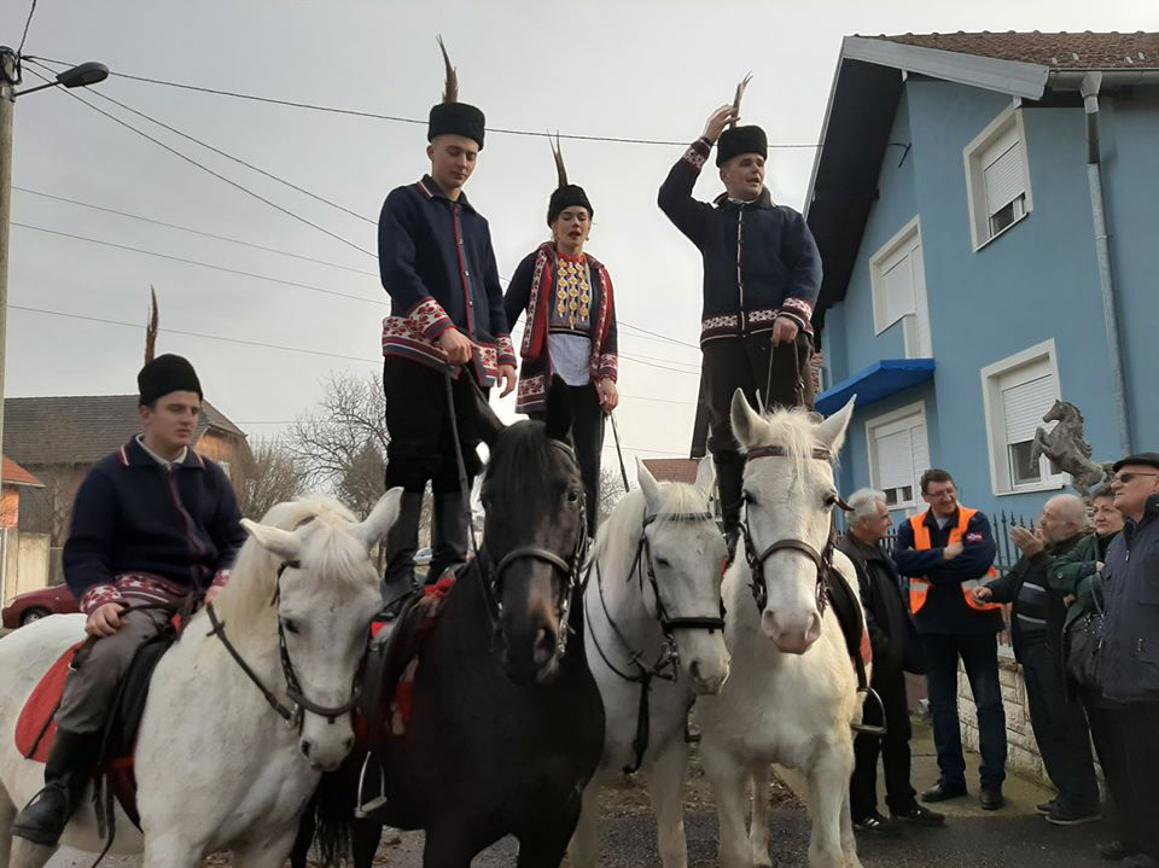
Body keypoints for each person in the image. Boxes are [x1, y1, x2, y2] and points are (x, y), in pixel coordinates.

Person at [11, 354, 246, 846]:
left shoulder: (211, 477)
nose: (188, 420)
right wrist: (99, 601)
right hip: (138, 599)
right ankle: (60, 786)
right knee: (109, 659)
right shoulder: (108, 477)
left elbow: (235, 541)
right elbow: (84, 552)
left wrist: (226, 578)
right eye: (176, 408)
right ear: (146, 413)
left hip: (208, 600)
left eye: (194, 411)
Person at [377, 41, 516, 607]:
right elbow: (399, 273)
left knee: (463, 461)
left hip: (470, 369)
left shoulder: (478, 223)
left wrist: (503, 352)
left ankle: (454, 564)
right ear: (432, 147)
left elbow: (490, 293)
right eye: (454, 151)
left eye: (471, 155)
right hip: (415, 358)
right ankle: (398, 570)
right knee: (413, 456)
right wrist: (443, 329)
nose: (462, 162)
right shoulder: (404, 204)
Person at [657, 102, 821, 557]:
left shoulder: (787, 220)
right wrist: (705, 139)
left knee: (790, 435)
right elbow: (669, 197)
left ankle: (800, 526)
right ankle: (733, 529)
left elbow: (810, 268)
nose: (755, 170)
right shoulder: (710, 223)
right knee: (726, 437)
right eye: (745, 163)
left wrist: (793, 312)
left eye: (760, 163)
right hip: (724, 346)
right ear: (724, 173)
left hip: (782, 343)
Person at [504, 139, 618, 535]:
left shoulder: (600, 274)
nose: (575, 224)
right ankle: (541, 537)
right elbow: (505, 312)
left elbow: (610, 333)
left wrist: (608, 378)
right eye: (567, 216)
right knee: (549, 461)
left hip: (587, 383)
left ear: (589, 226)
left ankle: (585, 542)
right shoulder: (536, 264)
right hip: (547, 378)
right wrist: (496, 355)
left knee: (587, 462)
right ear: (552, 223)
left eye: (582, 217)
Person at [976, 495, 1101, 826]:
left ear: (1071, 526)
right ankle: (1066, 793)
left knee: (1064, 726)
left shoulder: (1078, 550)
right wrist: (991, 590)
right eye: (1043, 514)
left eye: (1049, 517)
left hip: (1054, 654)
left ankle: (1082, 801)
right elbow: (1016, 580)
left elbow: (1061, 583)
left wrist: (1038, 554)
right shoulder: (1040, 550)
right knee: (1044, 725)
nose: (1041, 521)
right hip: (1029, 651)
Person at [893, 468, 1008, 811]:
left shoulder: (976, 520)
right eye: (939, 493)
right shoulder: (909, 527)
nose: (947, 498)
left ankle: (992, 783)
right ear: (925, 497)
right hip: (932, 627)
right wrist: (944, 556)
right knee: (942, 707)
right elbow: (900, 562)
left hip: (977, 623)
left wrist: (926, 568)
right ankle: (951, 780)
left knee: (988, 704)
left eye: (950, 491)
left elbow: (978, 561)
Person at [837, 490, 945, 835]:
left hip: (888, 664)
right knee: (868, 739)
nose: (890, 522)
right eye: (884, 517)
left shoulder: (875, 552)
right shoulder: (849, 558)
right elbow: (860, 611)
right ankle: (863, 810)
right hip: (868, 667)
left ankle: (903, 803)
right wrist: (885, 649)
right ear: (864, 523)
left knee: (898, 734)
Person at [1051, 485, 1135, 858]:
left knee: (1135, 758)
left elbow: (1118, 586)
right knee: (1113, 759)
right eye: (1095, 509)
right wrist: (1091, 571)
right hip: (1091, 669)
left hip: (1125, 667)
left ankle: (1144, 835)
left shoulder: (1134, 542)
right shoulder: (1090, 545)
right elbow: (1056, 573)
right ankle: (1130, 833)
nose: (1099, 515)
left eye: (1107, 509)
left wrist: (1082, 586)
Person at [1099, 453, 1159, 868]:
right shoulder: (1122, 542)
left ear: (1155, 484)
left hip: (1154, 679)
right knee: (1135, 772)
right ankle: (1139, 839)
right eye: (1114, 478)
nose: (1115, 484)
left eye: (1125, 478)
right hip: (1124, 679)